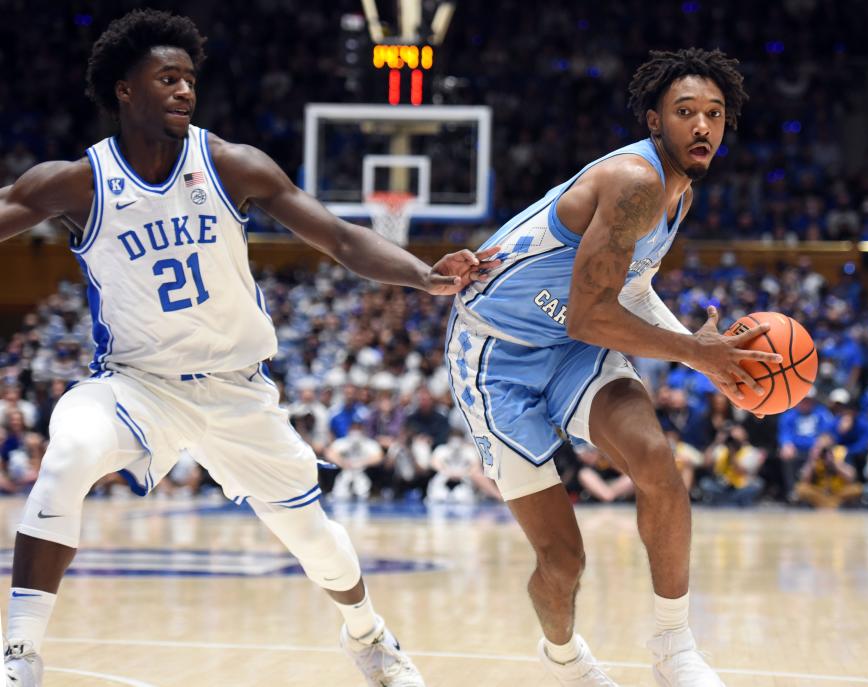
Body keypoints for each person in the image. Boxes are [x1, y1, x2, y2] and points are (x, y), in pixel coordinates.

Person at [0, 10, 499, 687]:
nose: (183, 91)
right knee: (69, 451)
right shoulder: (80, 181)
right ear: (125, 89)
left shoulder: (230, 163)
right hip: (137, 385)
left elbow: (340, 237)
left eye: (189, 79)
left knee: (316, 541)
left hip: (238, 392)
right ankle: (19, 656)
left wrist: (420, 272)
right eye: (166, 78)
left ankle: (369, 635)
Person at [446, 48, 780, 687]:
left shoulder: (677, 194)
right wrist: (693, 353)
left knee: (656, 460)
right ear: (655, 121)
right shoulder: (636, 183)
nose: (703, 127)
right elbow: (587, 317)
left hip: (573, 346)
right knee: (563, 561)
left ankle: (673, 645)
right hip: (495, 357)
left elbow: (624, 292)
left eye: (714, 114)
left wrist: (696, 351)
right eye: (686, 113)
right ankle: (565, 657)